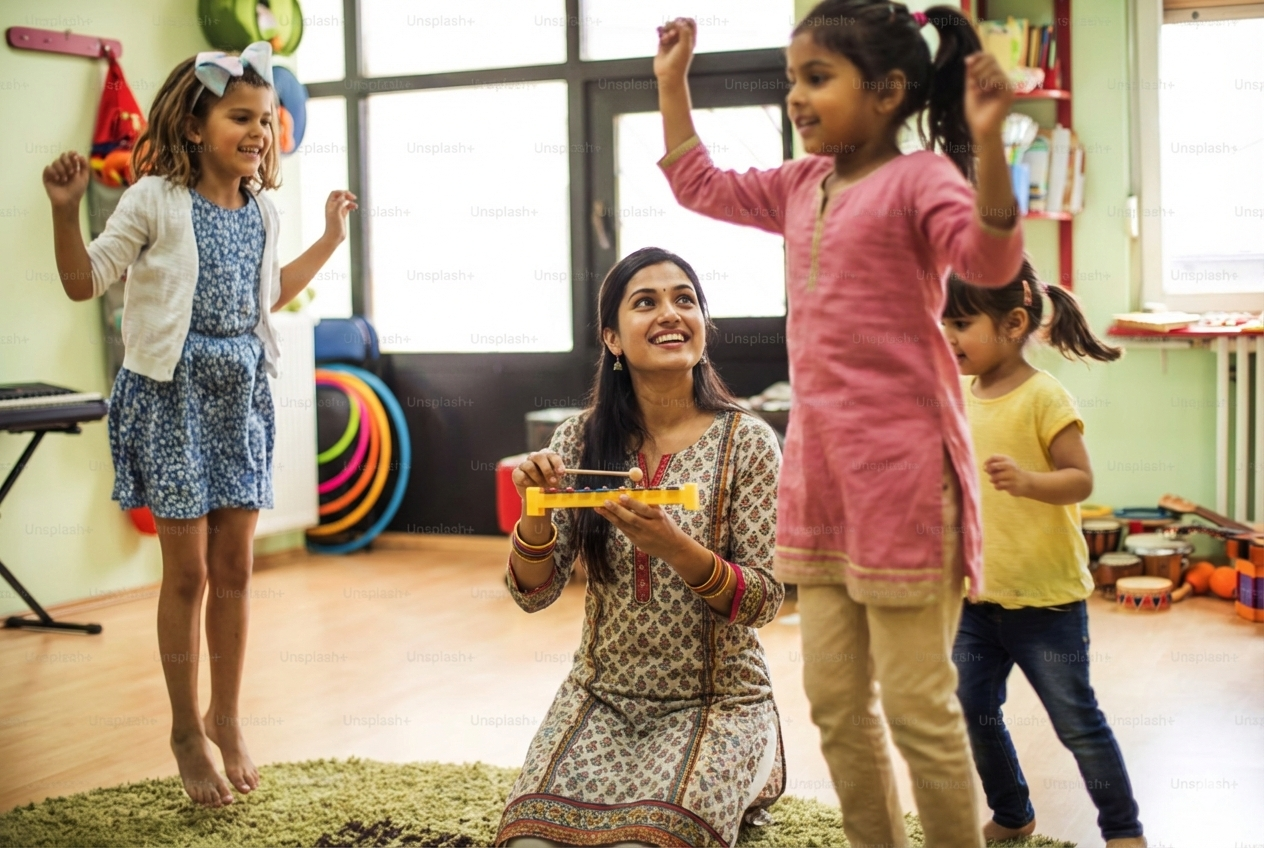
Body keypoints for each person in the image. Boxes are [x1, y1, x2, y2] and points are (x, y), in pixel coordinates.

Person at [653, 3, 1024, 845]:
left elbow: (990, 259)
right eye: (793, 78)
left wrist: (991, 142)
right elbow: (699, 183)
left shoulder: (922, 178)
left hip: (906, 487)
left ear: (887, 91)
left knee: (918, 708)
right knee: (833, 702)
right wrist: (674, 83)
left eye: (817, 78)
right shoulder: (799, 184)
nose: (796, 96)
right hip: (820, 485)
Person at [42, 42, 356, 807]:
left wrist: (328, 240)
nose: (259, 132)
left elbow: (263, 294)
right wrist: (63, 211)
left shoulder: (262, 210)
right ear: (194, 126)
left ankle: (227, 714)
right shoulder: (152, 199)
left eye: (265, 120)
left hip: (239, 398)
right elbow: (84, 282)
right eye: (240, 117)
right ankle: (186, 729)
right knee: (187, 574)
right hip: (172, 398)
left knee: (237, 571)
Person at [495, 247, 786, 848]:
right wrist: (534, 513)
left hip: (720, 703)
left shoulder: (749, 442)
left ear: (703, 323)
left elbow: (764, 601)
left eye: (685, 300)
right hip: (601, 697)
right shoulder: (577, 439)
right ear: (613, 338)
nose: (670, 314)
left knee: (643, 843)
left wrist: (675, 548)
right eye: (646, 302)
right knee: (528, 842)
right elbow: (533, 594)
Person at [941, 263, 1145, 848]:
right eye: (943, 323)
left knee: (1076, 722)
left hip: (1047, 604)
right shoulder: (959, 395)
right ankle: (1013, 814)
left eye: (962, 324)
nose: (949, 336)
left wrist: (1030, 482)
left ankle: (1124, 831)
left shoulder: (1044, 395)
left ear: (1013, 323)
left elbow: (1080, 479)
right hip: (977, 600)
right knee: (971, 707)